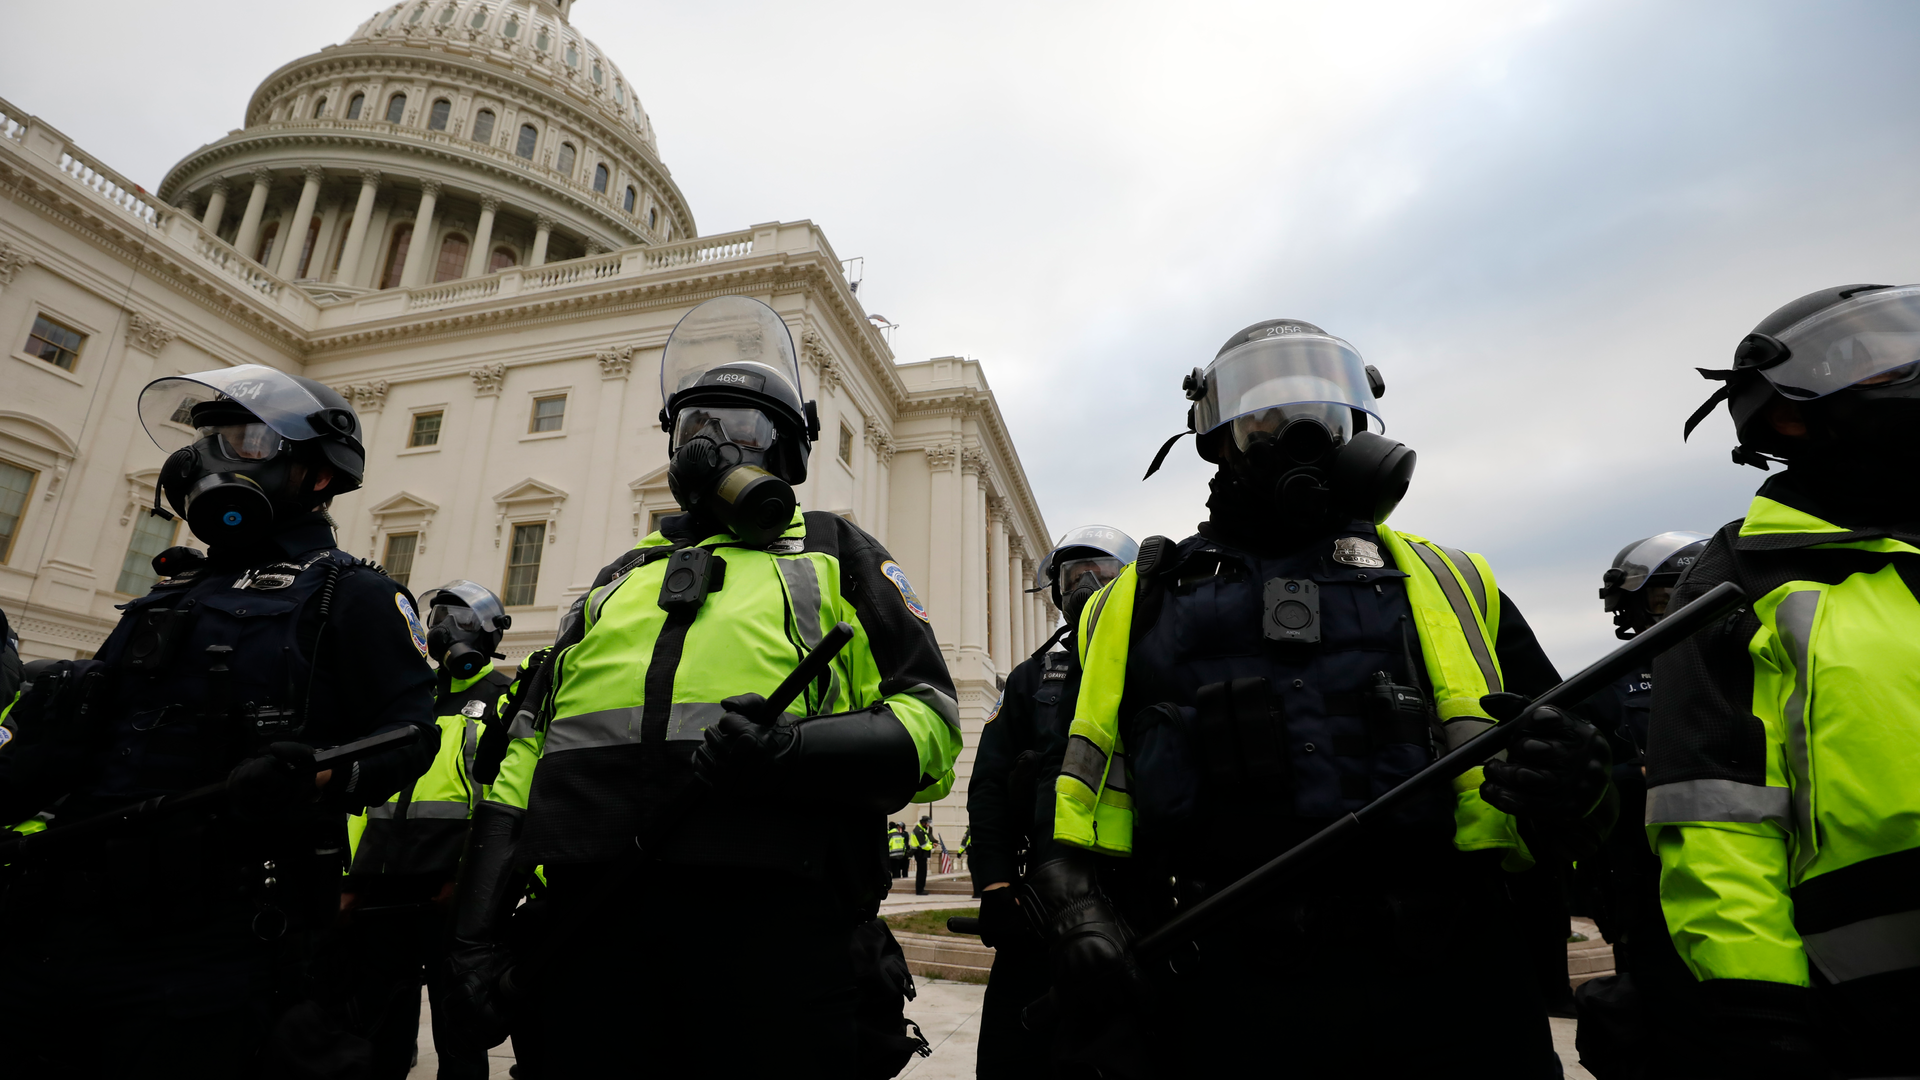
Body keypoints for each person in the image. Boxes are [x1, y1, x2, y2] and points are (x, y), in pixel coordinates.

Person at [1041, 320, 1614, 1077]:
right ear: (1216, 438)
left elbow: (1597, 782)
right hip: (1222, 993)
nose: (1299, 433)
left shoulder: (1453, 583)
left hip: (1449, 988)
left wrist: (1588, 788)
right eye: (1265, 416)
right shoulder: (1133, 605)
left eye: (1323, 412)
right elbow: (1065, 794)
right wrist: (1079, 913)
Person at [449, 295, 963, 1078]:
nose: (713, 448)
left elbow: (930, 726)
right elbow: (523, 758)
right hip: (590, 928)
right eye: (695, 429)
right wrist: (475, 938)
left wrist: (793, 751)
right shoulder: (616, 581)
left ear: (787, 452)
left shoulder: (834, 554)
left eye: (742, 429)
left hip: (772, 934)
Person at [0, 364, 437, 1077]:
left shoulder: (353, 595)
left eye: (245, 440)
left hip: (214, 940)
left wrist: (319, 774)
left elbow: (412, 732)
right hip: (61, 923)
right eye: (207, 439)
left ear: (317, 474)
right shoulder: (169, 595)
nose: (209, 460)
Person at [1650, 283, 1920, 1080]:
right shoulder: (1741, 583)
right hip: (1873, 1017)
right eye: (1878, 360)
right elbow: (1717, 821)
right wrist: (1758, 1009)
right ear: (1790, 415)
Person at [969, 525, 1137, 1080]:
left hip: (1138, 898)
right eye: (1071, 575)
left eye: (1101, 570)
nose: (1085, 584)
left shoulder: (1158, 660)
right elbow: (988, 785)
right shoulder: (1029, 679)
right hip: (1040, 904)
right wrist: (995, 888)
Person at [335, 580, 514, 1080]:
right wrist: (351, 882)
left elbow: (501, 795)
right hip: (380, 888)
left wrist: (471, 879)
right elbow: (361, 800)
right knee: (377, 1032)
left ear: (484, 630)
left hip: (451, 892)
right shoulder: (408, 698)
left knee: (458, 1037)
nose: (438, 625)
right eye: (435, 613)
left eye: (451, 614)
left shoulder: (505, 697)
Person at [1574, 532, 1712, 1078]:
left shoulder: (1766, 659)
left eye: (1690, 592)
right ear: (1628, 606)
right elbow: (1584, 790)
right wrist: (1644, 777)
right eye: (1663, 598)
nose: (1680, 609)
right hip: (1653, 897)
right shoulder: (1602, 688)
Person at [911, 813, 936, 895]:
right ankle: (919, 890)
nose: (928, 825)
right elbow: (923, 845)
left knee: (923, 872)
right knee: (921, 872)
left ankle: (921, 888)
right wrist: (932, 846)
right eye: (927, 823)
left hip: (921, 854)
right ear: (923, 823)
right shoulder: (919, 831)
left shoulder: (922, 830)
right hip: (920, 854)